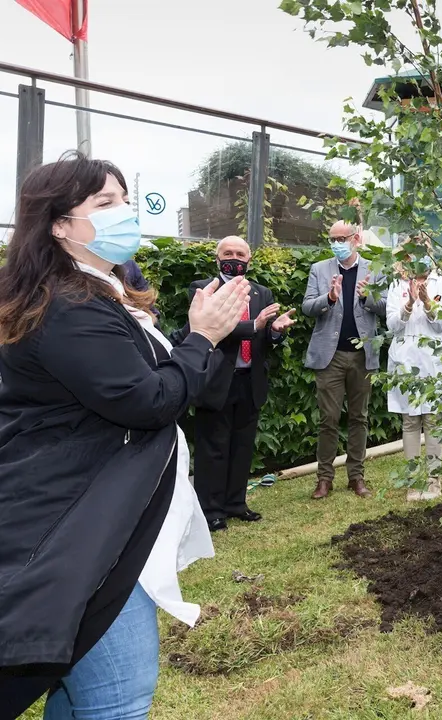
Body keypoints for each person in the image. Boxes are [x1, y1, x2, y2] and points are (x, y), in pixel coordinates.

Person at [0, 154, 247, 717]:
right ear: (59, 225)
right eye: (105, 204)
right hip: (85, 532)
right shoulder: (68, 307)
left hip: (94, 520)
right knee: (117, 701)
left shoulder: (95, 293)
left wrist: (196, 338)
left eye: (124, 200)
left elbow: (156, 382)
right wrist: (203, 337)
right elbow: (148, 400)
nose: (124, 214)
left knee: (77, 690)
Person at [177, 236, 297, 532]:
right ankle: (212, 510)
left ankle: (236, 503)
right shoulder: (204, 289)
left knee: (242, 446)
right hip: (217, 381)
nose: (234, 258)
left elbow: (265, 336)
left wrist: (275, 331)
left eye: (240, 253)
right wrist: (253, 326)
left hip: (249, 381)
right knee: (213, 448)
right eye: (227, 253)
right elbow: (209, 329)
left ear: (249, 259)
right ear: (217, 259)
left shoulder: (261, 292)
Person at [302, 219, 386, 500]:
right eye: (332, 239)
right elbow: (307, 306)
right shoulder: (319, 269)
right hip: (331, 356)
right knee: (328, 419)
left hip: (363, 355)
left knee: (359, 418)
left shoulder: (375, 269)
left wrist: (367, 297)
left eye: (342, 238)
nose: (336, 244)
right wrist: (329, 297)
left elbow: (386, 307)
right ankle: (324, 479)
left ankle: (356, 477)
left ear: (356, 238)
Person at [386, 254, 442, 501]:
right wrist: (408, 304)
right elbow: (392, 325)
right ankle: (413, 481)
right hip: (405, 363)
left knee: (433, 419)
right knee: (410, 422)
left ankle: (434, 481)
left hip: (433, 362)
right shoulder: (397, 286)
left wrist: (427, 303)